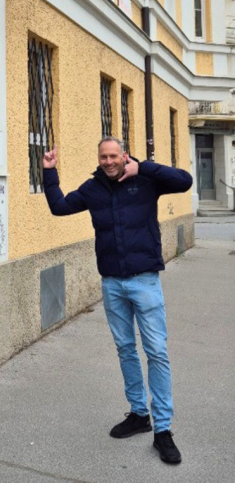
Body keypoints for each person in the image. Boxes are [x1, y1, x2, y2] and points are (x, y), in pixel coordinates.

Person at [43, 136, 192, 465]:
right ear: (99, 159)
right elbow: (60, 206)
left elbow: (184, 181)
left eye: (114, 156)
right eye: (103, 157)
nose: (109, 161)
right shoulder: (93, 189)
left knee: (156, 352)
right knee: (126, 349)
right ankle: (139, 414)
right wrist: (49, 173)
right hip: (112, 283)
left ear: (124, 156)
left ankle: (163, 430)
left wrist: (146, 167)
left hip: (145, 282)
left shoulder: (146, 179)